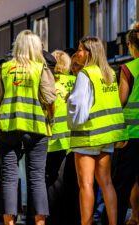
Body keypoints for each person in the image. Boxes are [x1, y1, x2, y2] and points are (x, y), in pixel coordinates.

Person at [0, 30, 56, 225]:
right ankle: (39, 222)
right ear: (36, 47)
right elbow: (50, 98)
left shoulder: (4, 69)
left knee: (9, 177)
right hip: (36, 128)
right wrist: (50, 119)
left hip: (8, 128)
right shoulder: (40, 69)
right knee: (36, 177)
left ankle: (9, 222)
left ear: (17, 47)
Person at [67, 36, 127, 225]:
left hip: (87, 135)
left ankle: (86, 223)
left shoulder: (86, 74)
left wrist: (72, 119)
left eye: (81, 49)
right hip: (106, 135)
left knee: (86, 184)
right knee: (107, 183)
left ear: (90, 52)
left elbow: (77, 105)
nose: (78, 52)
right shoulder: (109, 72)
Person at [107, 22, 139, 225]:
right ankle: (136, 216)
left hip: (132, 135)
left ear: (130, 44)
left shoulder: (128, 68)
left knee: (122, 183)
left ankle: (116, 220)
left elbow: (121, 101)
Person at [45, 50, 76, 225]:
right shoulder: (75, 81)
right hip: (73, 139)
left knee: (52, 180)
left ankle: (53, 218)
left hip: (54, 138)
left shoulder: (50, 83)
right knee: (70, 181)